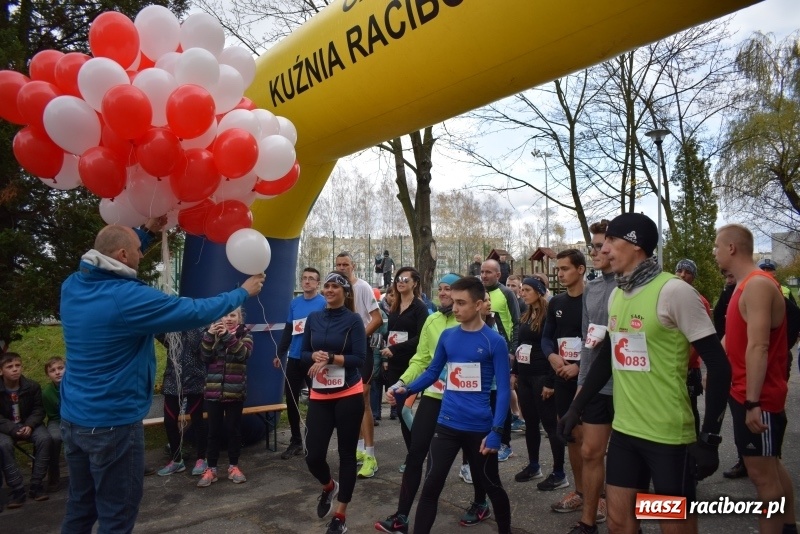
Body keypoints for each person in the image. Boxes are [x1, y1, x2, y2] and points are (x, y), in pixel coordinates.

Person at [59, 222, 264, 533]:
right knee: (117, 515)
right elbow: (192, 311)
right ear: (124, 255)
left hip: (74, 419)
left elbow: (103, 255)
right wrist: (241, 293)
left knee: (80, 508)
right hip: (112, 423)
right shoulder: (127, 297)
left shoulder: (74, 284)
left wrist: (147, 231)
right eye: (139, 250)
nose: (143, 255)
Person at [559, 212, 731, 534]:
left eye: (611, 240)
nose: (604, 249)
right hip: (625, 432)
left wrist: (710, 438)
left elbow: (719, 366)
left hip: (667, 436)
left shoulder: (674, 292)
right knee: (619, 521)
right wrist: (576, 408)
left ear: (636, 246)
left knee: (673, 524)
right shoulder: (617, 294)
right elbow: (608, 358)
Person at [387, 277, 513, 534]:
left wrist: (496, 432)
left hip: (479, 428)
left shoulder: (494, 342)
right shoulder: (447, 336)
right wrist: (407, 388)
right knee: (431, 487)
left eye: (461, 303)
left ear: (479, 305)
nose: (454, 308)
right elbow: (433, 372)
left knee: (492, 486)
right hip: (446, 425)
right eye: (453, 302)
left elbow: (503, 392)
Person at [714, 224, 797, 534]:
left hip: (756, 398)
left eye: (717, 247)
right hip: (742, 393)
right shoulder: (742, 285)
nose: (714, 252)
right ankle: (788, 527)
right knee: (771, 464)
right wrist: (718, 371)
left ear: (732, 248)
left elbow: (759, 345)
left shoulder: (759, 285)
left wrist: (753, 402)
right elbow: (733, 338)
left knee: (763, 477)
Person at [374, 274, 461, 533]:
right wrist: (401, 383)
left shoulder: (467, 321)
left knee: (476, 461)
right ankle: (401, 516)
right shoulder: (433, 320)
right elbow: (422, 359)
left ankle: (481, 501)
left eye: (450, 290)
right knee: (416, 455)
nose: (444, 293)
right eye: (442, 289)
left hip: (463, 401)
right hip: (434, 396)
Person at [301, 271, 366, 534]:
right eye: (326, 286)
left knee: (346, 456)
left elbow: (359, 359)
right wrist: (313, 355)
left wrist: (331, 357)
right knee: (313, 455)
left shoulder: (354, 321)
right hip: (320, 394)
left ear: (345, 292)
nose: (328, 290)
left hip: (348, 393)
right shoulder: (314, 318)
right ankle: (329, 486)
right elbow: (303, 353)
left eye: (334, 287)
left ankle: (340, 516)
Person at [569, 221, 615, 534]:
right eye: (593, 246)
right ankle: (589, 519)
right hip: (598, 387)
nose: (596, 252)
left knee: (630, 459)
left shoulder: (636, 286)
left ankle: (622, 515)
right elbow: (589, 344)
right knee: (589, 451)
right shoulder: (594, 288)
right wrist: (581, 387)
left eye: (601, 246)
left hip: (633, 387)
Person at [540, 248, 586, 514]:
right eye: (558, 269)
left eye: (565, 268)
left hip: (590, 380)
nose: (560, 274)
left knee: (593, 443)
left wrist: (579, 366)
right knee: (571, 437)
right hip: (562, 379)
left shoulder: (594, 299)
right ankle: (580, 491)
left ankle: (599, 495)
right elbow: (547, 337)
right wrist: (553, 357)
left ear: (580, 269)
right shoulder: (556, 303)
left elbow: (601, 341)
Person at [334, 252, 382, 479]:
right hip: (342, 355)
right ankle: (360, 450)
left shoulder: (362, 287)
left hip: (362, 352)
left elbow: (377, 318)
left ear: (353, 266)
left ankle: (371, 455)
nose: (342, 267)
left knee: (363, 399)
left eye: (346, 264)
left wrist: (358, 338)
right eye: (339, 264)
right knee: (350, 402)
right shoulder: (334, 288)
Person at [511, 277, 563, 489]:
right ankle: (534, 465)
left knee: (551, 425)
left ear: (539, 291)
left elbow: (554, 348)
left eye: (527, 289)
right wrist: (515, 372)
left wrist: (550, 382)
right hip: (524, 376)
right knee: (531, 423)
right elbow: (520, 344)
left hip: (542, 375)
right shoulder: (526, 313)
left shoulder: (548, 315)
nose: (523, 293)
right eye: (522, 289)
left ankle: (559, 472)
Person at [196, 308, 252, 486]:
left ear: (239, 318)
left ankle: (233, 466)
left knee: (234, 431)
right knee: (212, 432)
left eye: (233, 315)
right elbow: (204, 356)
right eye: (225, 315)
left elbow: (243, 354)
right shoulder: (211, 334)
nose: (228, 319)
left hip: (235, 392)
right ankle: (211, 469)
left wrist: (228, 336)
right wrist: (209, 336)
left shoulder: (245, 334)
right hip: (213, 392)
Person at [274, 267, 326, 459]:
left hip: (314, 360)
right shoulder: (294, 303)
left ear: (317, 283)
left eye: (311, 279)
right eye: (304, 278)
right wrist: (280, 353)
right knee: (291, 399)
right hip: (295, 358)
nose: (307, 282)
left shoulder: (323, 303)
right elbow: (288, 330)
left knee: (316, 400)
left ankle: (312, 440)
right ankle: (295, 440)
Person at [379, 267, 429, 451]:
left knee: (405, 410)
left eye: (405, 279)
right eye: (398, 279)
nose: (400, 282)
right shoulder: (394, 305)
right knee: (400, 412)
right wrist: (386, 354)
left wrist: (394, 348)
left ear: (414, 283)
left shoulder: (420, 307)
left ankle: (418, 449)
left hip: (412, 365)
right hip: (394, 364)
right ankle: (414, 451)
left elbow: (421, 339)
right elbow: (391, 334)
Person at [0, 352, 52, 505]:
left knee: (45, 438)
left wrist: (29, 424)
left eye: (18, 365)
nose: (15, 369)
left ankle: (36, 485)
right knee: (3, 445)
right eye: (10, 367)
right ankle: (17, 489)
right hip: (5, 428)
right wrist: (12, 429)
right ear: (1, 370)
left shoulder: (32, 386)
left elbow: (39, 410)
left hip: (30, 424)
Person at [480, 259, 519, 461]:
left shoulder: (507, 293)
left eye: (489, 272)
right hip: (483, 352)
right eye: (482, 271)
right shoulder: (478, 292)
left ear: (498, 275)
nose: (484, 275)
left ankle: (505, 443)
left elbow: (516, 322)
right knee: (489, 398)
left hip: (503, 352)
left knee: (501, 396)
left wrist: (512, 351)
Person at [156, 328, 208, 477]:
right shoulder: (171, 326)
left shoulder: (200, 325)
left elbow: (198, 347)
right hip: (173, 380)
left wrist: (188, 324)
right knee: (169, 421)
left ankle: (201, 458)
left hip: (195, 379)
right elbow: (161, 336)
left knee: (197, 419)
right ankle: (177, 459)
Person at [675, 258, 711, 439]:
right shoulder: (670, 297)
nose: (682, 275)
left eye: (687, 272)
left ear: (693, 277)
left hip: (688, 367)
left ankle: (694, 448)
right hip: (670, 365)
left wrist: (683, 362)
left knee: (690, 409)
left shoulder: (699, 300)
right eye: (679, 271)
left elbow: (699, 341)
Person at [42, 356, 65, 492]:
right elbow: (52, 415)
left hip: (77, 419)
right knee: (54, 438)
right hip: (57, 420)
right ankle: (54, 475)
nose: (57, 372)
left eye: (61, 368)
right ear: (48, 375)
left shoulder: (75, 385)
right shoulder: (47, 393)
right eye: (52, 370)